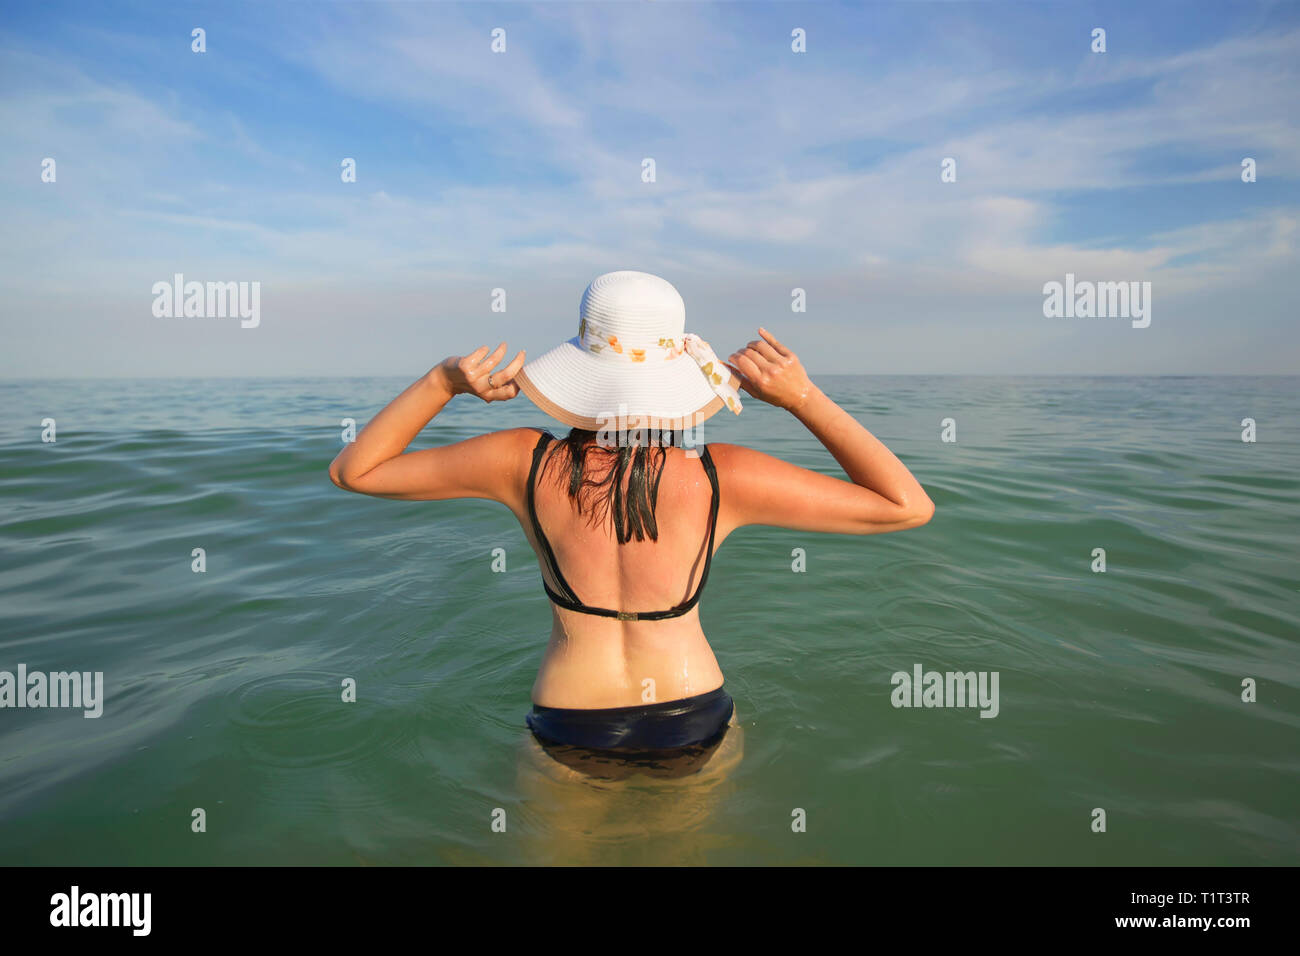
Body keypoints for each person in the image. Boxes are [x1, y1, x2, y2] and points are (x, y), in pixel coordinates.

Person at [329, 271, 933, 761]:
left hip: (571, 718)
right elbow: (905, 506)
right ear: (675, 371)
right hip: (693, 715)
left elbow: (356, 471)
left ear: (580, 362)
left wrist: (443, 381)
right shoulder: (724, 474)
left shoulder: (520, 460)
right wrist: (803, 398)